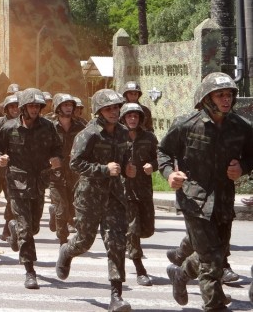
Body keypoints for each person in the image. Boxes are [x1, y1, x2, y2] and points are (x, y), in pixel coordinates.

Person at [158, 72, 253, 311]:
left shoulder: (241, 127)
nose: (226, 99)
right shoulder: (186, 124)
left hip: (223, 200)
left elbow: (252, 156)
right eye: (220, 94)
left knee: (217, 254)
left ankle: (181, 273)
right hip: (194, 201)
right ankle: (215, 305)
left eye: (229, 94)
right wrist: (170, 173)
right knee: (212, 262)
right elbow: (163, 152)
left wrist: (243, 167)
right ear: (206, 98)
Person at [56, 88, 133, 312]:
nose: (114, 112)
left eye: (116, 108)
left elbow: (125, 155)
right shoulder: (89, 134)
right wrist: (103, 169)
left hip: (114, 196)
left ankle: (116, 296)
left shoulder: (122, 132)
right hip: (89, 196)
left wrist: (128, 166)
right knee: (84, 241)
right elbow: (75, 163)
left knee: (116, 243)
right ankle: (67, 251)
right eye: (109, 108)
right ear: (99, 110)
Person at [0, 88, 62, 289]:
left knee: (34, 227)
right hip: (16, 182)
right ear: (23, 108)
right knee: (26, 229)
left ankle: (13, 229)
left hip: (39, 182)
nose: (34, 109)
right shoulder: (8, 128)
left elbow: (58, 148)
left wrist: (57, 159)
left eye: (37, 106)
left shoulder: (48, 127)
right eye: (30, 106)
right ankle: (30, 271)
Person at [119, 102, 158, 286]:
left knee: (147, 230)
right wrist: (122, 170)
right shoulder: (117, 137)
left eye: (136, 116)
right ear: (123, 118)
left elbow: (160, 157)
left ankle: (129, 243)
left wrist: (153, 166)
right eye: (129, 116)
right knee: (133, 230)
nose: (132, 119)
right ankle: (140, 268)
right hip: (125, 191)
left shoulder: (149, 138)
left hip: (144, 190)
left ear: (140, 118)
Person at [47, 93, 86, 245]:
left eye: (70, 105)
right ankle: (63, 240)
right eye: (65, 105)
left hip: (75, 174)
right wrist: (48, 160)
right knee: (62, 210)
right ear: (57, 108)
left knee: (73, 211)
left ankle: (55, 214)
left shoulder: (81, 126)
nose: (69, 108)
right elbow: (39, 146)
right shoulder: (48, 126)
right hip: (55, 173)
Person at [0, 94, 20, 240]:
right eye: (12, 107)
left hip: (14, 169)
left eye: (17, 106)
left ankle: (6, 228)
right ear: (7, 109)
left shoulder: (25, 124)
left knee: (12, 199)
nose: (15, 109)